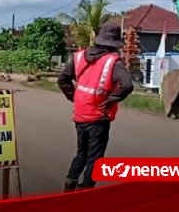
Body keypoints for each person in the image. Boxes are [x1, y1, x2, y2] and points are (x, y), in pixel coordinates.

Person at [57, 22, 134, 192]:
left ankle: (69, 185)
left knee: (81, 153)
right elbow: (127, 85)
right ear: (114, 44)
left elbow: (62, 80)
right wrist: (112, 99)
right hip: (99, 117)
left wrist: (73, 96)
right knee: (95, 157)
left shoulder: (78, 56)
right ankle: (86, 190)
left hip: (80, 114)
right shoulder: (113, 61)